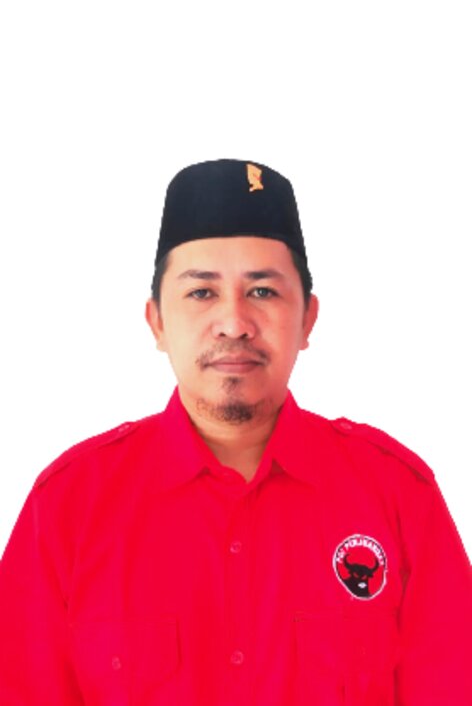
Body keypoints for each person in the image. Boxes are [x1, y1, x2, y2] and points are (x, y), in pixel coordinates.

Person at [0, 159, 470, 705]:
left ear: (308, 319)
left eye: (263, 292)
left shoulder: (397, 495)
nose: (234, 323)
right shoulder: (69, 507)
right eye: (202, 293)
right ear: (156, 321)